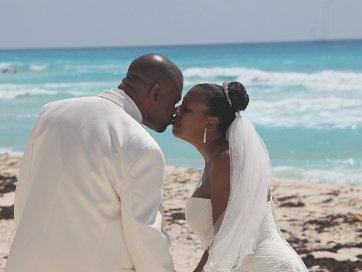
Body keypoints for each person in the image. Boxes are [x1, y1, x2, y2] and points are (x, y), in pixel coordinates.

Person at [5, 53, 183, 272]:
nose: (175, 112)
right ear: (156, 92)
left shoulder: (51, 112)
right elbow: (145, 236)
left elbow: (25, 195)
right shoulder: (142, 146)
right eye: (175, 101)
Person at [172, 81, 308, 271]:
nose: (176, 110)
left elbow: (224, 242)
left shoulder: (227, 161)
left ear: (210, 122)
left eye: (186, 108)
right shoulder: (217, 159)